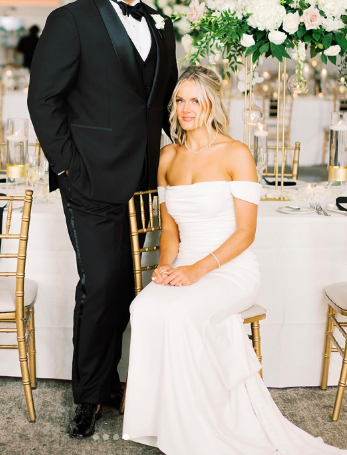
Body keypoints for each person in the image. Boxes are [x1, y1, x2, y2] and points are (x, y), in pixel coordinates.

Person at [123, 66, 346, 454]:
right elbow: (171, 230)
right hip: (186, 266)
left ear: (212, 104)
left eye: (196, 100)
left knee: (178, 315)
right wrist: (167, 264)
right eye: (180, 100)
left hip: (230, 268)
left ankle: (198, 425)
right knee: (142, 308)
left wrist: (197, 270)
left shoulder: (235, 153)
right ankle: (159, 421)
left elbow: (245, 233)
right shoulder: (167, 156)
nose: (187, 108)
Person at [27, 0, 178, 439]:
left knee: (130, 285)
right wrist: (68, 169)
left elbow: (164, 103)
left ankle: (112, 381)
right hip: (87, 178)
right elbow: (43, 100)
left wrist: (190, 154)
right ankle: (89, 396)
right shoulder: (70, 21)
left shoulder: (163, 24)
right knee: (100, 284)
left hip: (144, 180)